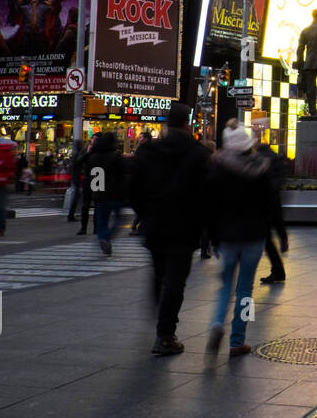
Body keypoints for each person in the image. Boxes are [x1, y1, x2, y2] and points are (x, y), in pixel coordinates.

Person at [129, 102, 211, 356]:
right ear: (188, 123)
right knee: (175, 281)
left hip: (155, 225)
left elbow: (133, 190)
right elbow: (208, 195)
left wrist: (146, 214)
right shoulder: (199, 154)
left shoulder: (147, 152)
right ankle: (165, 334)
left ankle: (160, 316)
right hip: (185, 227)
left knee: (160, 273)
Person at [204, 121, 282, 357]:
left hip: (227, 237)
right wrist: (275, 230)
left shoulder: (217, 170)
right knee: (246, 290)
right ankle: (238, 340)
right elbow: (271, 204)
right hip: (254, 237)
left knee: (225, 285)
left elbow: (209, 208)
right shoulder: (261, 169)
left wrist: (212, 237)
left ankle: (217, 322)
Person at [86, 131, 127, 256]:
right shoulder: (116, 156)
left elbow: (90, 176)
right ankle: (107, 237)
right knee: (119, 218)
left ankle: (103, 237)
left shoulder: (93, 157)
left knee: (101, 221)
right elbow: (123, 173)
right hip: (114, 193)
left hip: (99, 193)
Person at [257, 142, 289, 284]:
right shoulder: (277, 161)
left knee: (266, 240)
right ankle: (278, 270)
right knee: (271, 235)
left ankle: (278, 271)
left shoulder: (260, 162)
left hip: (262, 205)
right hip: (273, 202)